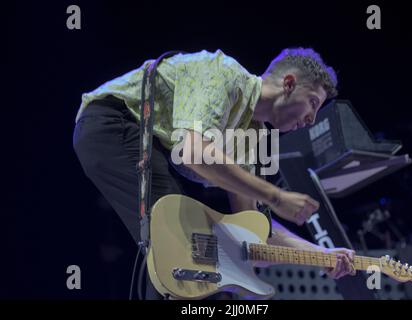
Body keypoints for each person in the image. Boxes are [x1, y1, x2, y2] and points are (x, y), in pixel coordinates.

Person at [72, 48, 356, 299]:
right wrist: (275, 196)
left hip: (143, 142)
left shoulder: (252, 139)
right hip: (111, 123)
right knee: (182, 248)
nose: (311, 120)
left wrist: (320, 255)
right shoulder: (223, 72)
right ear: (289, 84)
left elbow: (251, 234)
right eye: (313, 104)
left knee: (192, 255)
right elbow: (194, 152)